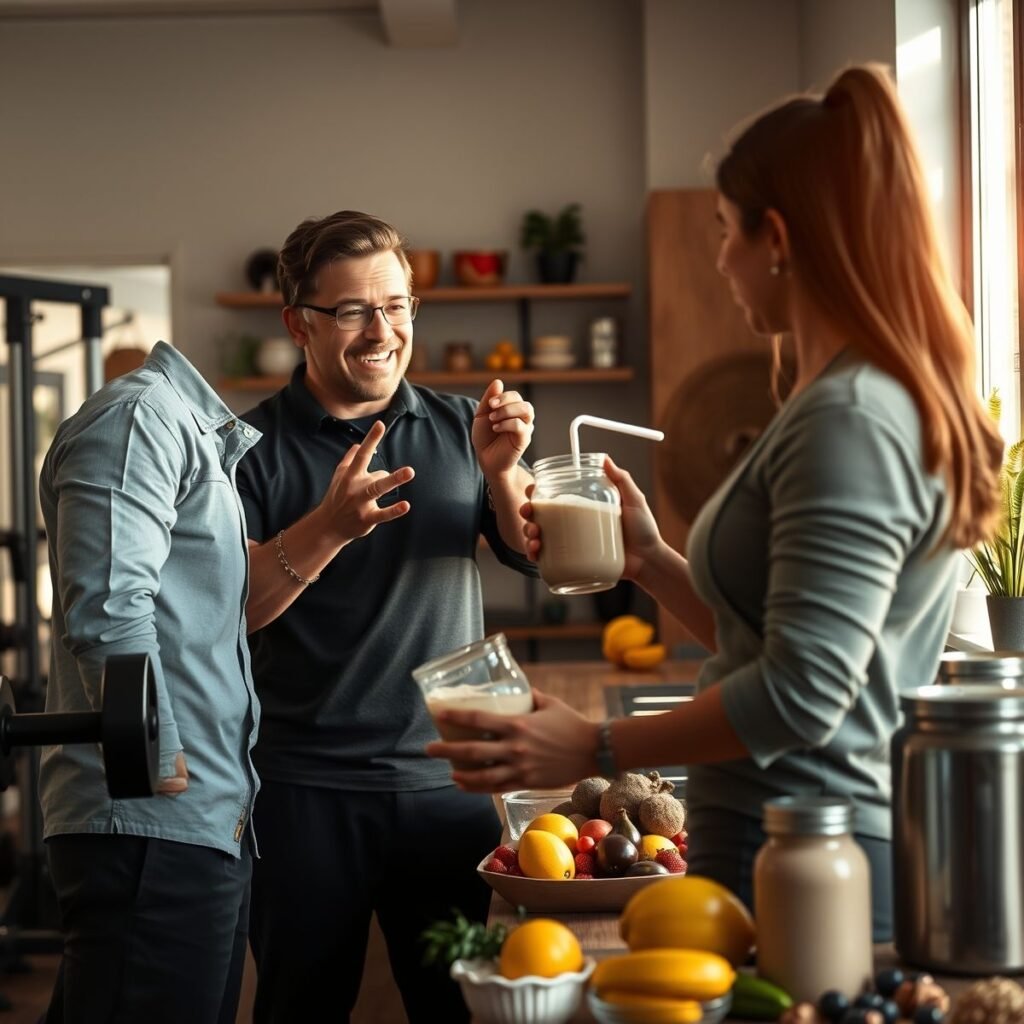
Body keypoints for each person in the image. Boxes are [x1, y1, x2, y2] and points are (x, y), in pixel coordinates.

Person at [425, 62, 1004, 942]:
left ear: (777, 237)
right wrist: (650, 561)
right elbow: (773, 648)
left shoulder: (849, 417)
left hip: (812, 844)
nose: (721, 258)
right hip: (782, 834)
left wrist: (596, 748)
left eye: (727, 231)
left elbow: (808, 694)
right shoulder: (836, 400)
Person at [235, 210, 537, 1023]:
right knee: (301, 1007)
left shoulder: (461, 428)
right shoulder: (245, 451)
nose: (381, 331)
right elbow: (233, 613)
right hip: (301, 796)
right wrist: (328, 526)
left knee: (457, 1008)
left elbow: (536, 553)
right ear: (298, 322)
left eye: (397, 305)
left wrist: (504, 476)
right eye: (352, 311)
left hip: (448, 791)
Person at [38, 340, 262, 1023]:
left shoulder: (191, 431)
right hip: (151, 821)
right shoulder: (140, 417)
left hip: (199, 822)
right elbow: (107, 606)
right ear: (299, 323)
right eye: (346, 310)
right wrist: (157, 756)